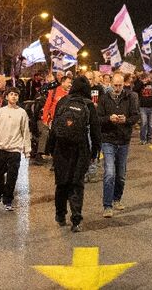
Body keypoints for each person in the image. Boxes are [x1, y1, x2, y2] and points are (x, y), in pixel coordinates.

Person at [46, 76, 101, 232]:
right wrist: (95, 151)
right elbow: (96, 131)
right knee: (77, 183)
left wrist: (51, 148)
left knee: (61, 182)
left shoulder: (63, 101)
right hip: (80, 148)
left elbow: (54, 126)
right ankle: (76, 219)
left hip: (61, 148)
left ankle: (60, 215)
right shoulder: (89, 105)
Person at [98, 72, 139, 218]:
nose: (117, 88)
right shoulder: (104, 99)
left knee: (121, 174)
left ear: (124, 84)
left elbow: (136, 116)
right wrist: (109, 118)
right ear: (111, 84)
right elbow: (98, 118)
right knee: (109, 173)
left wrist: (125, 120)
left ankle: (117, 199)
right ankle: (107, 205)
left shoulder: (130, 97)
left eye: (120, 85)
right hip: (108, 139)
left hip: (123, 140)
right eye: (115, 85)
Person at [0, 86, 31, 211]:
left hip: (15, 150)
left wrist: (27, 150)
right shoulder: (0, 112)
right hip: (1, 148)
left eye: (16, 95)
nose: (14, 96)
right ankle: (0, 191)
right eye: (11, 94)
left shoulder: (22, 113)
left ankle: (8, 200)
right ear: (6, 97)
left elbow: (25, 132)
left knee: (12, 176)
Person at [35, 73, 69, 165]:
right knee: (51, 136)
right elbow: (47, 106)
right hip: (53, 120)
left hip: (64, 121)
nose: (70, 84)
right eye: (68, 82)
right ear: (63, 82)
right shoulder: (53, 92)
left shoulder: (70, 94)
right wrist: (45, 119)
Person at [137, 73, 152, 145]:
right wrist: (142, 83)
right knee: (144, 123)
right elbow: (135, 89)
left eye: (148, 77)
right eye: (145, 77)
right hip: (143, 107)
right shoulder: (140, 84)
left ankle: (150, 138)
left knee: (151, 124)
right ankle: (142, 139)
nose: (147, 78)